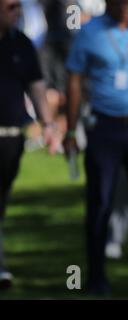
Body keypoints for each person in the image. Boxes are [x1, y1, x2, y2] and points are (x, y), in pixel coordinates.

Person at [64, 0, 128, 296]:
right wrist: (70, 128)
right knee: (100, 203)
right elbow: (74, 78)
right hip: (103, 127)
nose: (121, 4)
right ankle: (96, 279)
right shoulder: (89, 32)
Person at [0, 0, 56, 289]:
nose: (17, 12)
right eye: (10, 7)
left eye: (18, 7)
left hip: (11, 138)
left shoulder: (21, 43)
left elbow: (35, 86)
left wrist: (48, 125)